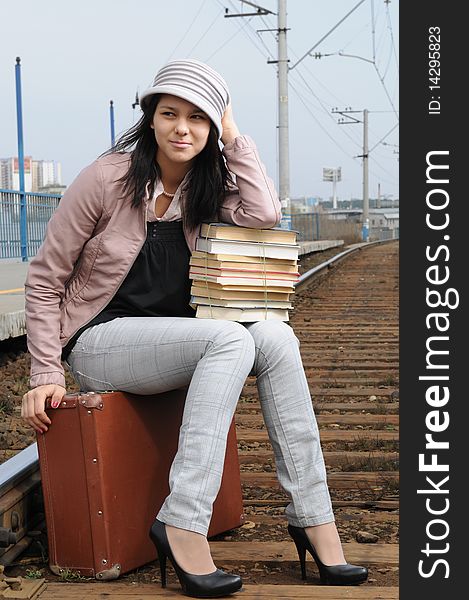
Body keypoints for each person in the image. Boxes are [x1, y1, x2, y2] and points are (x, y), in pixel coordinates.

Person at [21, 59, 368, 597]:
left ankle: (312, 515)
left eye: (198, 118)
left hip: (175, 340)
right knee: (231, 337)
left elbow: (265, 213)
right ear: (150, 119)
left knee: (275, 335)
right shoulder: (106, 179)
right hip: (98, 338)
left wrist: (233, 135)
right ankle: (182, 520)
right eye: (169, 114)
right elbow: (45, 280)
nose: (182, 128)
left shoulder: (211, 185)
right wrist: (45, 370)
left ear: (212, 128)